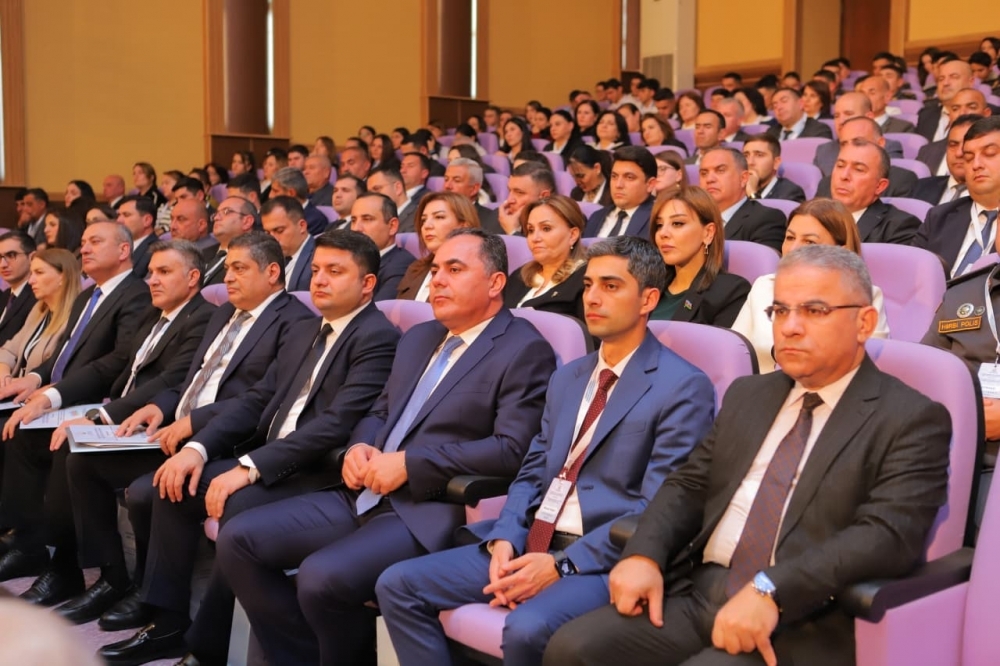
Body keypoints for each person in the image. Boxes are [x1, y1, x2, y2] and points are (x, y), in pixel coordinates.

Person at [545, 243, 952, 666]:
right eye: (780, 311)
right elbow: (690, 484)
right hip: (699, 592)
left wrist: (771, 589)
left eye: (814, 311)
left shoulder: (910, 417)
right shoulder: (750, 394)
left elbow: (886, 536)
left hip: (799, 614)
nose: (789, 327)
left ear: (863, 322)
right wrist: (644, 553)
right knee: (571, 649)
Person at [217, 228, 557, 665]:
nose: (437, 280)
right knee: (239, 539)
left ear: (495, 283)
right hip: (362, 491)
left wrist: (411, 464)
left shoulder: (523, 348)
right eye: (436, 269)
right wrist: (359, 447)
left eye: (455, 269)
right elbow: (380, 410)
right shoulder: (419, 337)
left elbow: (512, 450)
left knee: (321, 577)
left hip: (425, 506)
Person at [376, 235, 716, 666]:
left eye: (611, 286)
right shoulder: (569, 377)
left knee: (527, 627)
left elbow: (659, 507)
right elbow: (534, 469)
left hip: (600, 554)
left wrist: (561, 565)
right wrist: (506, 536)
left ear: (648, 299)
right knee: (398, 584)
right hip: (533, 539)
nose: (592, 297)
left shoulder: (682, 386)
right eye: (588, 285)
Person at [101, 232, 402, 666]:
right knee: (174, 484)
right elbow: (258, 397)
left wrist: (248, 467)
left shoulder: (377, 337)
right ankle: (167, 622)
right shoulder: (307, 329)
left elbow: (335, 425)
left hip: (317, 471)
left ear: (368, 283)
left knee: (236, 508)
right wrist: (199, 448)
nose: (319, 280)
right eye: (316, 270)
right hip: (271, 456)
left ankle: (208, 646)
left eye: (335, 272)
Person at [0, 222, 153, 590]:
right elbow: (62, 357)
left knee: (60, 443)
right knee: (17, 432)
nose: (84, 249)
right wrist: (34, 379)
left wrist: (53, 394)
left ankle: (66, 563)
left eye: (95, 242)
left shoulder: (136, 295)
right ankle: (27, 541)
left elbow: (117, 362)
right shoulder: (88, 297)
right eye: (83, 242)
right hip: (68, 396)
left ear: (123, 250)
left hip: (97, 403)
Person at [734, 198, 891, 372]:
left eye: (809, 242)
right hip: (761, 386)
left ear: (842, 251)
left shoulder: (864, 297)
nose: (793, 249)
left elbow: (864, 364)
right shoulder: (764, 286)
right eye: (790, 237)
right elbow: (734, 351)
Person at [648, 187, 750, 325]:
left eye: (677, 223)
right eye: (659, 225)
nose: (663, 233)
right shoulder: (647, 285)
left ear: (708, 233)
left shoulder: (730, 292)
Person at [916, 117, 1000, 278]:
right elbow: (912, 277)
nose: (976, 164)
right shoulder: (939, 217)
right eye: (968, 158)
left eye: (989, 154)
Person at [0, 249, 80, 391]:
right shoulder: (39, 309)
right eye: (31, 273)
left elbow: (56, 370)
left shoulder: (76, 317)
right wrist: (4, 373)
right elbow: (9, 350)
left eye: (39, 273)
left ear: (63, 277)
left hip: (41, 395)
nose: (31, 281)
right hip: (16, 389)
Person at [504, 195, 587, 321]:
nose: (535, 238)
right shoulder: (519, 276)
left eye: (546, 229)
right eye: (531, 230)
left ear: (572, 235)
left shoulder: (585, 279)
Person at [828, 136, 922, 244]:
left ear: (879, 186)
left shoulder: (898, 227)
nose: (844, 176)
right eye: (840, 166)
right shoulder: (816, 217)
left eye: (858, 169)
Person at [396, 192, 480, 301]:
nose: (427, 226)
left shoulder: (476, 272)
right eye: (423, 220)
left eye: (439, 217)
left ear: (463, 226)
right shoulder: (415, 269)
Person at [699, 147, 786, 252]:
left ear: (743, 178)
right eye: (704, 173)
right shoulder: (695, 218)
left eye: (720, 170)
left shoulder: (767, 219)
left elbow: (762, 261)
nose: (709, 179)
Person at [349, 193, 417, 300]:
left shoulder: (401, 265)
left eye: (367, 219)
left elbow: (380, 307)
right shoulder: (348, 260)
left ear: (392, 226)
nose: (356, 228)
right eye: (353, 220)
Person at [584, 146, 656, 239]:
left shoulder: (657, 219)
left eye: (629, 177)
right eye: (614, 176)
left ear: (650, 184)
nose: (618, 185)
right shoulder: (596, 217)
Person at [911, 113, 980, 205]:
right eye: (953, 145)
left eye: (966, 145)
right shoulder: (921, 187)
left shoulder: (993, 198)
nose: (959, 153)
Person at [261, 197, 316, 292]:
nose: (272, 239)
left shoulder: (318, 257)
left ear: (302, 226)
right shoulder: (269, 257)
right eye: (268, 233)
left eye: (279, 231)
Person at [201, 196, 259, 287]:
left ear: (247, 222)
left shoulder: (256, 256)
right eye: (216, 213)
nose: (216, 218)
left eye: (226, 211)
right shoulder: (202, 254)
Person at [0, 231, 39, 346]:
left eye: (11, 255)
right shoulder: (5, 295)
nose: (3, 264)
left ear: (32, 258)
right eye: (0, 257)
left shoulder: (38, 297)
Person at [743, 134, 806, 202]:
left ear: (776, 163)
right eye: (746, 156)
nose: (750, 162)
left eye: (759, 155)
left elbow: (760, 209)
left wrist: (752, 193)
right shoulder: (737, 187)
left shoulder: (790, 193)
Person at [269, 166, 331, 236]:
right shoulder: (274, 213)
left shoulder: (315, 221)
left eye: (275, 191)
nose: (270, 195)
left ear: (291, 193)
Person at [767, 88, 834, 141]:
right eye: (775, 105)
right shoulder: (770, 134)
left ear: (801, 103)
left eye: (784, 101)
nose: (779, 107)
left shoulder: (819, 131)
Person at [115, 196, 158, 278]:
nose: (119, 220)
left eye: (126, 215)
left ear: (147, 220)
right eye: (119, 215)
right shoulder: (115, 247)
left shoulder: (156, 251)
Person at [397, 153, 433, 234]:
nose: (402, 171)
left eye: (410, 166)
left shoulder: (427, 199)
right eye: (402, 166)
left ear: (424, 173)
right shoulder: (392, 195)